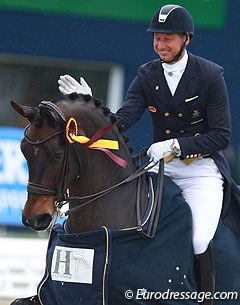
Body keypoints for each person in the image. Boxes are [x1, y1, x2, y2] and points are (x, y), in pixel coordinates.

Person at [58, 4, 239, 304]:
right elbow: (123, 119)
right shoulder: (147, 73)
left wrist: (177, 146)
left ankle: (205, 297)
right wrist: (89, 106)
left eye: (168, 38)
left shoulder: (209, 75)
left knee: (198, 239)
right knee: (134, 227)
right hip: (158, 167)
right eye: (157, 37)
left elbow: (221, 136)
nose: (160, 44)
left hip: (200, 170)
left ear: (186, 39)